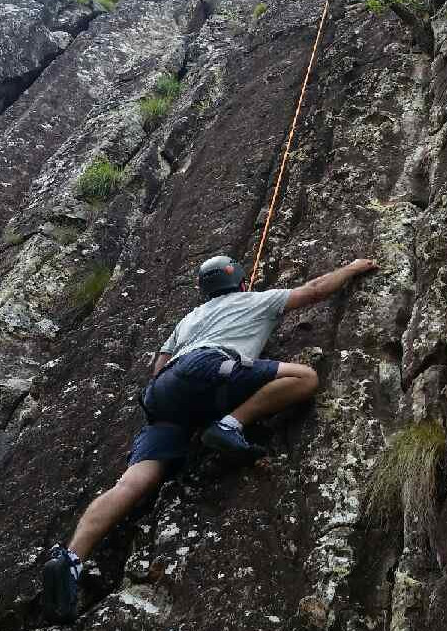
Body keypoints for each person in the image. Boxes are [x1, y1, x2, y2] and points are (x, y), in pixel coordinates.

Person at [42, 254, 378, 624]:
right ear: (240, 282)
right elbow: (313, 291)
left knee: (134, 481)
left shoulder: (188, 319)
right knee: (304, 378)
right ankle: (232, 424)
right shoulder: (254, 300)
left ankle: (71, 558)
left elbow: (159, 365)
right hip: (207, 370)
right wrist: (350, 268)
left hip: (162, 394)